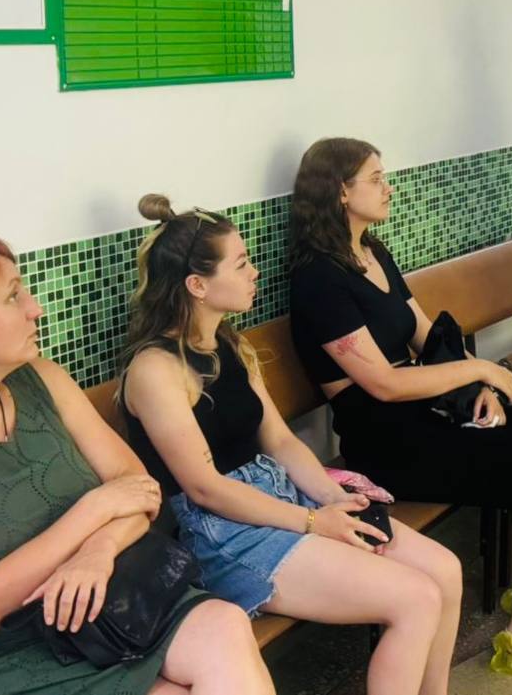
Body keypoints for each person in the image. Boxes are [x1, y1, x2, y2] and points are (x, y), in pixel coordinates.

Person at [0, 233, 274, 695]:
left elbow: (138, 487)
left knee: (223, 624)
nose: (35, 308)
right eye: (12, 297)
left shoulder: (42, 379)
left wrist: (98, 550)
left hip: (104, 611)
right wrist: (96, 508)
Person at [288, 141, 512, 678]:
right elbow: (384, 384)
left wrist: (480, 389)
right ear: (340, 191)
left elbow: (425, 338)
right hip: (388, 444)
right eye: (376, 178)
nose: (389, 187)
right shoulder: (319, 280)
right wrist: (480, 370)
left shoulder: (373, 254)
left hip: (430, 416)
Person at [120, 195, 462, 695]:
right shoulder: (156, 370)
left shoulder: (229, 345)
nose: (254, 272)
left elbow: (279, 439)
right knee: (415, 598)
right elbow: (205, 487)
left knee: (445, 572)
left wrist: (333, 499)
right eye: (241, 263)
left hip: (282, 495)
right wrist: (313, 522)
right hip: (225, 534)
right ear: (197, 285)